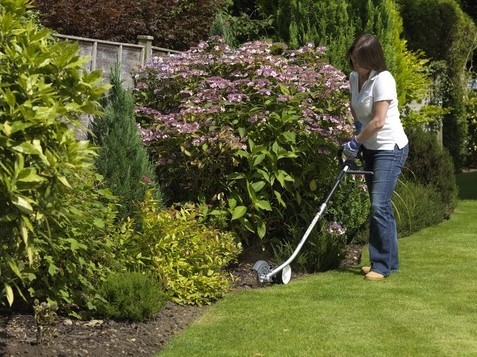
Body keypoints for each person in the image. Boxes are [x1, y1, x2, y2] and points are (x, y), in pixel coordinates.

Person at [343, 34, 409, 281]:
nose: (355, 65)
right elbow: (357, 112)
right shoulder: (353, 78)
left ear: (372, 59)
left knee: (378, 205)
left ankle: (380, 266)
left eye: (359, 61)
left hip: (389, 147)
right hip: (370, 147)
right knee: (381, 206)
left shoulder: (383, 79)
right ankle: (389, 262)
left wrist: (355, 141)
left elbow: (379, 121)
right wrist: (358, 138)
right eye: (353, 59)